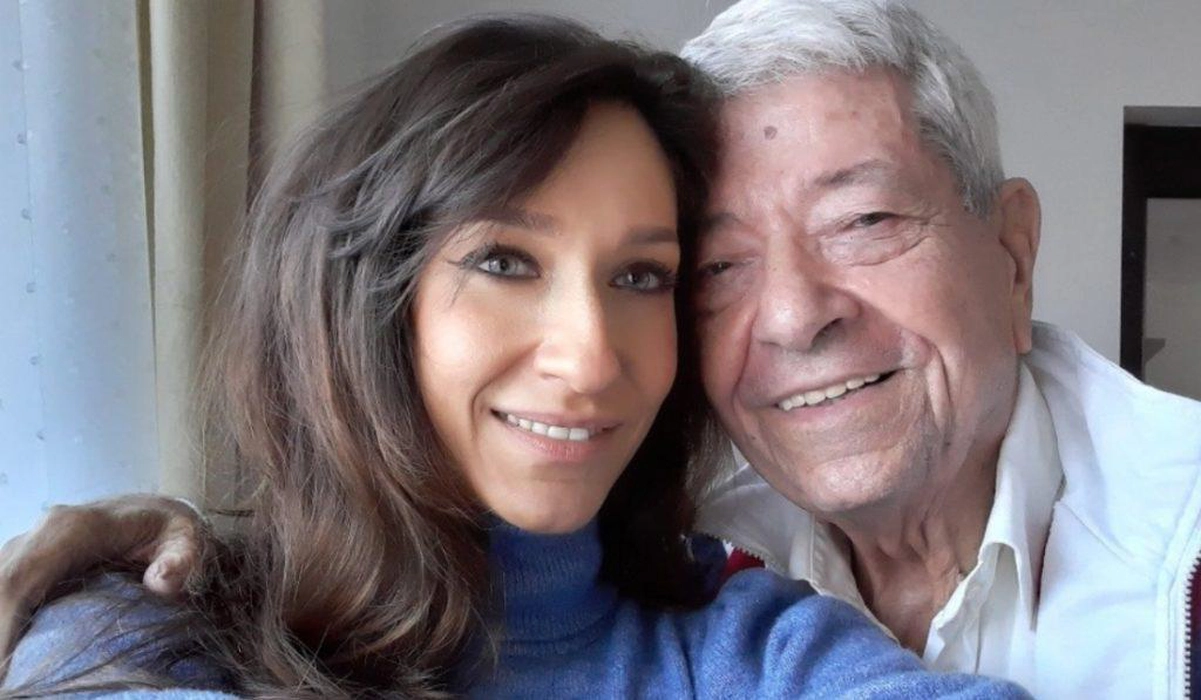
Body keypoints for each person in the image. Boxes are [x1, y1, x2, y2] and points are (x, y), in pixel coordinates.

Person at [0, 13, 1026, 700]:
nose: (591, 360)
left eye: (642, 276)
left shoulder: (754, 642)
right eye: (504, 261)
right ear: (369, 301)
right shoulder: (131, 629)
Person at [679, 0, 1201, 697]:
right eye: (717, 265)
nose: (793, 318)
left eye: (863, 221)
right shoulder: (681, 579)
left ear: (1013, 255)